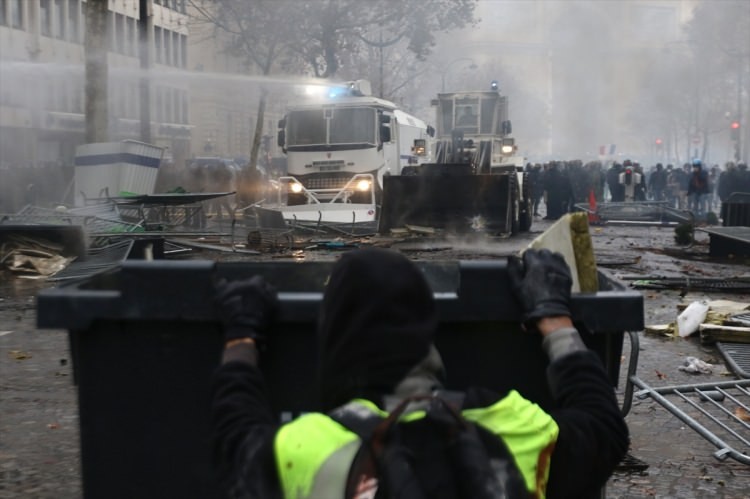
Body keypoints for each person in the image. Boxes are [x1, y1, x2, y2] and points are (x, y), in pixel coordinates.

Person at [211, 248, 629, 498]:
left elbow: (236, 434)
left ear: (333, 341)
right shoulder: (512, 431)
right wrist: (554, 319)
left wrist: (241, 335)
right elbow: (604, 429)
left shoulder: (303, 452)